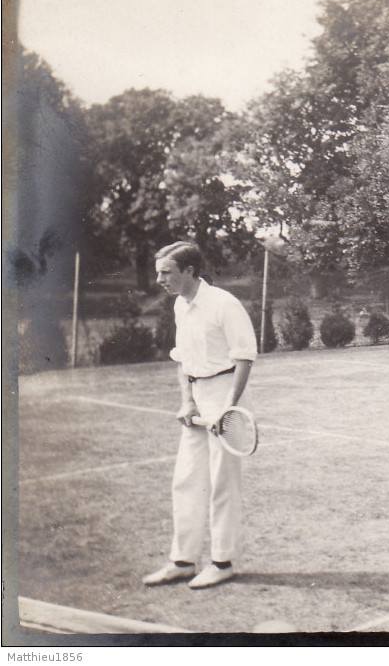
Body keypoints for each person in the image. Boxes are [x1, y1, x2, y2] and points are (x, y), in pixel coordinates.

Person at [142, 241, 258, 589]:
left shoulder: (224, 304)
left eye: (167, 272)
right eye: (159, 272)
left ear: (189, 271)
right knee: (186, 479)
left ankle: (223, 563)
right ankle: (183, 561)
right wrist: (187, 402)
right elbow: (184, 361)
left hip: (226, 396)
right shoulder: (181, 305)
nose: (159, 279)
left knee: (222, 483)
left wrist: (228, 407)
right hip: (197, 400)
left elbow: (244, 357)